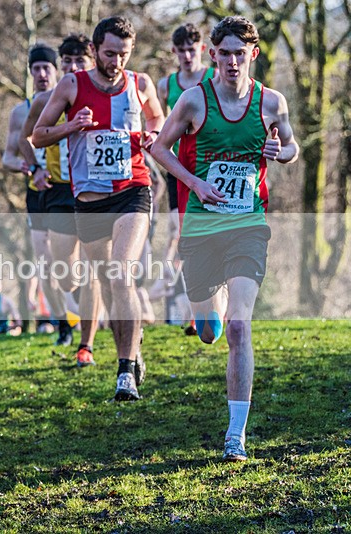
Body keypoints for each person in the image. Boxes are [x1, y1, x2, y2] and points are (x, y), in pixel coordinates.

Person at [150, 16, 298, 461]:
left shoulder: (271, 103)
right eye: (225, 53)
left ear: (253, 54)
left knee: (238, 326)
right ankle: (204, 315)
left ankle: (236, 434)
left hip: (247, 225)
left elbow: (291, 148)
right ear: (213, 55)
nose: (233, 61)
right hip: (200, 226)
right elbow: (159, 148)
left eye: (241, 53)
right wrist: (193, 183)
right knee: (210, 331)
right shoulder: (195, 101)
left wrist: (281, 152)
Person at [33, 16, 164, 401]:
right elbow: (38, 135)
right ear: (95, 50)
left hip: (133, 190)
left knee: (122, 273)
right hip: (89, 200)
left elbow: (157, 115)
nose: (117, 62)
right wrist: (71, 127)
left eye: (124, 54)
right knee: (107, 281)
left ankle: (125, 370)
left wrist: (153, 134)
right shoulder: (72, 84)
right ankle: (132, 351)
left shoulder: (140, 84)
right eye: (110, 53)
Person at [19, 34, 100, 362]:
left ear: (92, 61)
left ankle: (86, 343)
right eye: (67, 60)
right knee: (63, 273)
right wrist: (36, 170)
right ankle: (82, 302)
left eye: (80, 60)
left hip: (96, 188)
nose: (73, 66)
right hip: (60, 189)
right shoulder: (47, 99)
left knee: (96, 265)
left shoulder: (102, 97)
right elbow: (25, 137)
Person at [3, 42, 73, 344]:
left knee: (69, 265)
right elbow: (7, 155)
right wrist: (30, 168)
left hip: (70, 187)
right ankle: (62, 323)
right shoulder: (21, 111)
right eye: (36, 69)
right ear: (30, 72)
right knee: (45, 262)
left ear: (56, 70)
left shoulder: (69, 100)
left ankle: (84, 312)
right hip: (37, 192)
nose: (42, 74)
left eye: (47, 68)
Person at [157, 23, 215, 331]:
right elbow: (160, 129)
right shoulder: (166, 85)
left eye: (193, 50)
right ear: (174, 52)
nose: (188, 56)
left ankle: (206, 309)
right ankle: (193, 309)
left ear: (202, 50)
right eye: (182, 51)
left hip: (208, 165)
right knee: (182, 236)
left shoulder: (212, 79)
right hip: (177, 170)